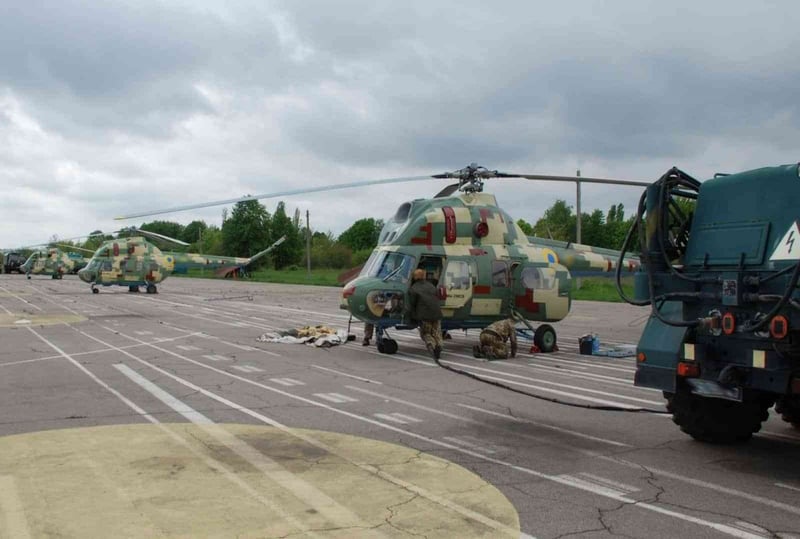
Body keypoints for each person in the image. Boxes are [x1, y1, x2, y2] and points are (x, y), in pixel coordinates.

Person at [406, 268, 443, 359]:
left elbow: (412, 304)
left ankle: (432, 346)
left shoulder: (414, 289)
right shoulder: (432, 286)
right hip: (437, 313)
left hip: (424, 316)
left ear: (414, 277)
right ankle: (439, 346)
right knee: (436, 332)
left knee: (426, 333)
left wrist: (412, 316)